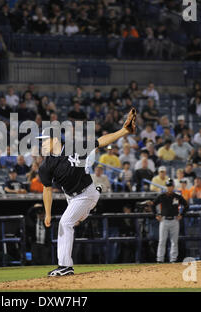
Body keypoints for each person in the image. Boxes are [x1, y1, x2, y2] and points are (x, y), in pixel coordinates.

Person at [37, 108, 136, 276]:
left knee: (65, 223)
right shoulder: (46, 166)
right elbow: (47, 190)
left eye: (45, 140)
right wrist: (47, 213)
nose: (42, 143)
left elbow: (101, 142)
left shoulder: (75, 147)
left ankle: (65, 266)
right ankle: (87, 212)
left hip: (86, 193)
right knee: (71, 222)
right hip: (72, 198)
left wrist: (123, 131)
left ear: (54, 139)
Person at [147, 178, 189, 263]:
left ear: (173, 186)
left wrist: (182, 214)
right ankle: (160, 259)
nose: (169, 188)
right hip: (164, 220)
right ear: (166, 187)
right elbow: (153, 205)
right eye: (168, 186)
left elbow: (186, 205)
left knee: (174, 241)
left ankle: (173, 259)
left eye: (171, 186)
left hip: (174, 220)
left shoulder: (177, 196)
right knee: (162, 240)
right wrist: (156, 214)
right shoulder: (162, 196)